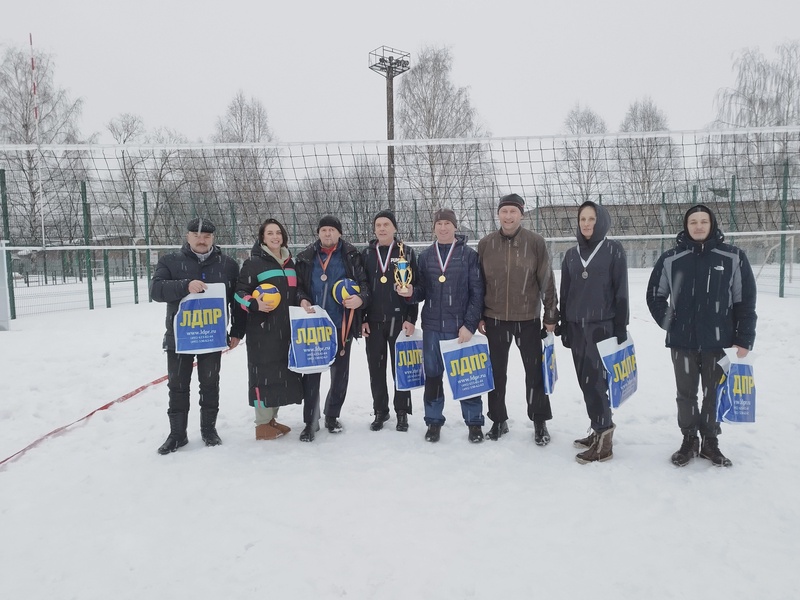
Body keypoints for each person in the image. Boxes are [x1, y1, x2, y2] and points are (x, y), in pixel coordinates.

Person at [647, 205, 757, 468]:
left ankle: (710, 442)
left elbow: (745, 302)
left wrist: (744, 339)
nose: (698, 226)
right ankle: (688, 440)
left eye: (703, 221)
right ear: (686, 225)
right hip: (682, 342)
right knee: (685, 394)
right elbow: (655, 295)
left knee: (713, 394)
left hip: (719, 342)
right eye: (693, 221)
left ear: (712, 224)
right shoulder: (672, 258)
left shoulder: (732, 257)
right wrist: (670, 322)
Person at [150, 217, 245, 455]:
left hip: (211, 337)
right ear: (187, 236)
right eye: (196, 235)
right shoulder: (170, 262)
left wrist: (236, 331)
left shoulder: (227, 265)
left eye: (207, 236)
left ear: (213, 238)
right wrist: (184, 285)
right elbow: (156, 290)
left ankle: (209, 430)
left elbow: (238, 300)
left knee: (210, 384)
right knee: (178, 386)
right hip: (179, 338)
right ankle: (177, 434)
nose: (201, 240)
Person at [397, 208, 486, 443]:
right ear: (434, 227)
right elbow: (422, 291)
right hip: (433, 328)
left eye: (448, 223)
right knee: (434, 377)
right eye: (439, 224)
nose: (443, 228)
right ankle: (434, 422)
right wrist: (409, 293)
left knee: (467, 376)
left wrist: (469, 325)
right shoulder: (425, 256)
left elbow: (477, 293)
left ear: (455, 226)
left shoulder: (469, 256)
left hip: (460, 330)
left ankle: (474, 423)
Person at [477, 193, 560, 445]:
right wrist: (479, 314)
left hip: (527, 319)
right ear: (498, 214)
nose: (508, 216)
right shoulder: (486, 243)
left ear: (521, 215)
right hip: (495, 319)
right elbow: (478, 283)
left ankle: (539, 421)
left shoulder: (535, 242)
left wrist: (550, 315)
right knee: (496, 373)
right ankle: (498, 420)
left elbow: (546, 281)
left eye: (513, 211)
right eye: (504, 211)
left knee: (534, 373)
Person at [560, 201, 629, 464]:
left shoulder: (613, 250)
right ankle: (598, 425)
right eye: (582, 219)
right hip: (577, 327)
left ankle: (605, 439)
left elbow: (621, 291)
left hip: (602, 327)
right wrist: (566, 325)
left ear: (601, 221)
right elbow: (566, 293)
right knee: (584, 380)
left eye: (591, 219)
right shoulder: (570, 254)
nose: (586, 224)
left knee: (597, 381)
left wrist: (620, 327)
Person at [294, 215, 370, 442]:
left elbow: (365, 285)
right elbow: (298, 287)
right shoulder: (306, 257)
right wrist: (302, 300)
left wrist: (360, 299)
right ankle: (310, 421)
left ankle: (332, 415)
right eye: (324, 230)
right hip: (315, 325)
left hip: (341, 324)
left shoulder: (351, 255)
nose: (327, 234)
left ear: (339, 233)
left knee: (340, 374)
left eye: (332, 230)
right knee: (312, 375)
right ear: (318, 233)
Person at [234, 218, 303, 441]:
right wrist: (253, 304)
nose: (275, 237)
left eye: (278, 233)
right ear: (262, 238)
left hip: (286, 329)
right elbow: (238, 293)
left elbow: (297, 291)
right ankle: (261, 424)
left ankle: (271, 419)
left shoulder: (290, 264)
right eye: (270, 233)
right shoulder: (253, 263)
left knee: (280, 375)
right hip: (262, 330)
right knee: (263, 375)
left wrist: (303, 300)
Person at [361, 210, 419, 432]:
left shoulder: (406, 253)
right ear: (374, 229)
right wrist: (361, 319)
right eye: (378, 225)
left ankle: (402, 411)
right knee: (376, 369)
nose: (382, 228)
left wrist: (411, 318)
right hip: (373, 321)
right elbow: (361, 287)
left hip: (399, 321)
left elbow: (414, 288)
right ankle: (380, 410)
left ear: (394, 228)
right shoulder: (366, 254)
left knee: (400, 369)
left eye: (386, 224)